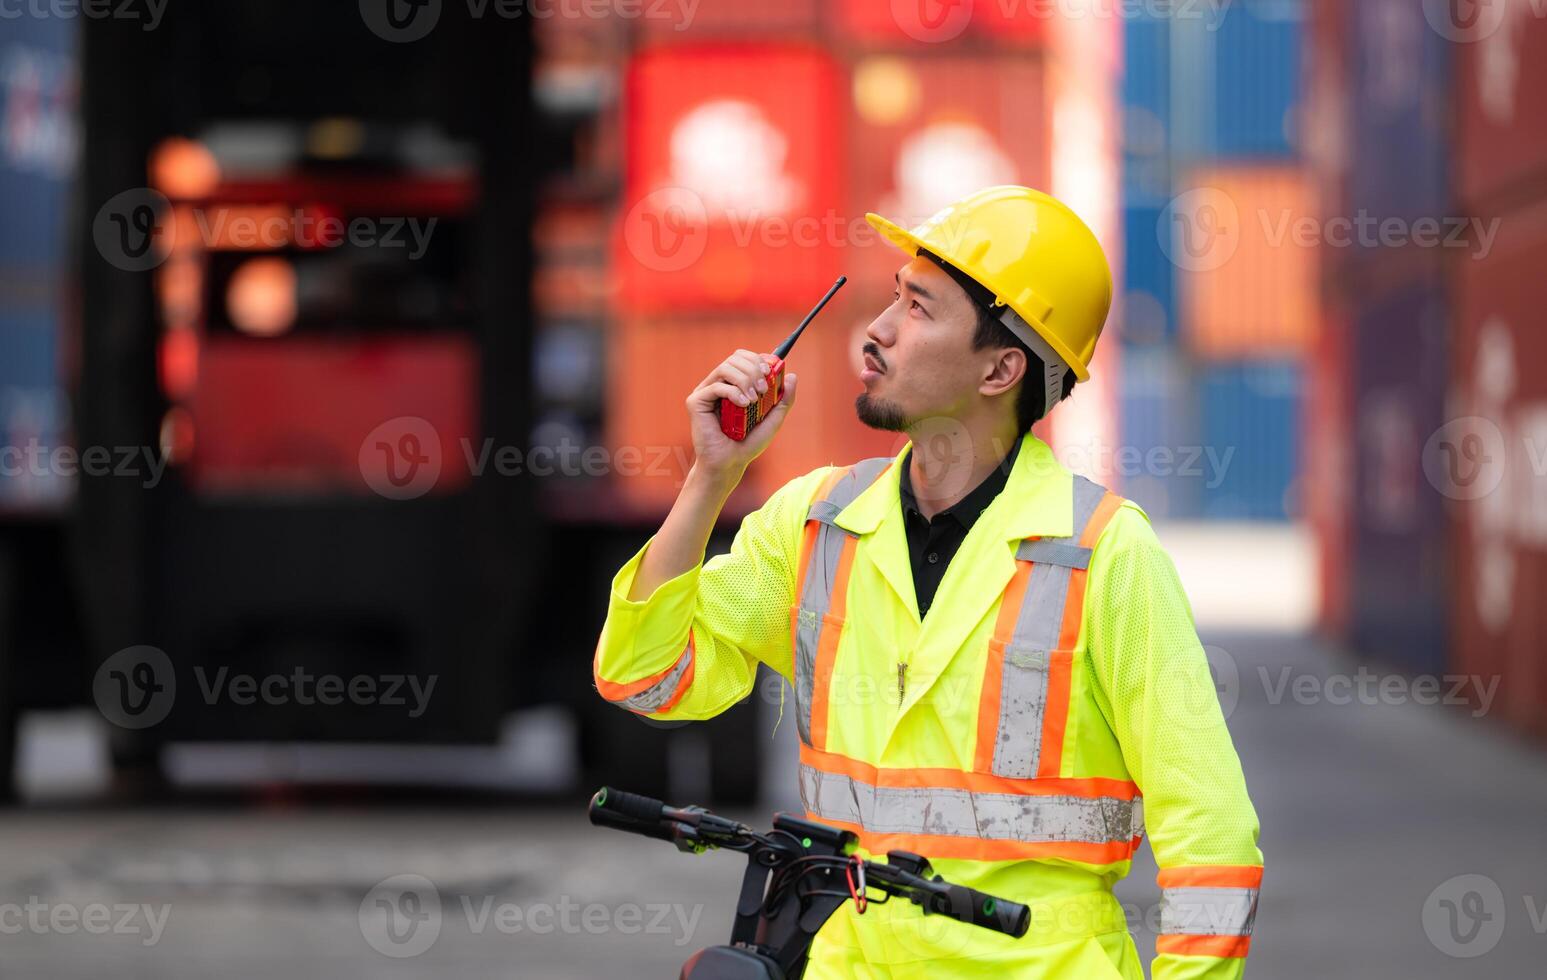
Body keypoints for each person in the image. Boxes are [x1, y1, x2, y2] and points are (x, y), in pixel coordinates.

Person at [593, 186, 1262, 978]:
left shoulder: (1103, 556)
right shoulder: (817, 525)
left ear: (1000, 367)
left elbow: (1210, 838)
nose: (874, 332)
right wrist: (710, 478)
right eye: (890, 299)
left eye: (916, 308)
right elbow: (647, 681)